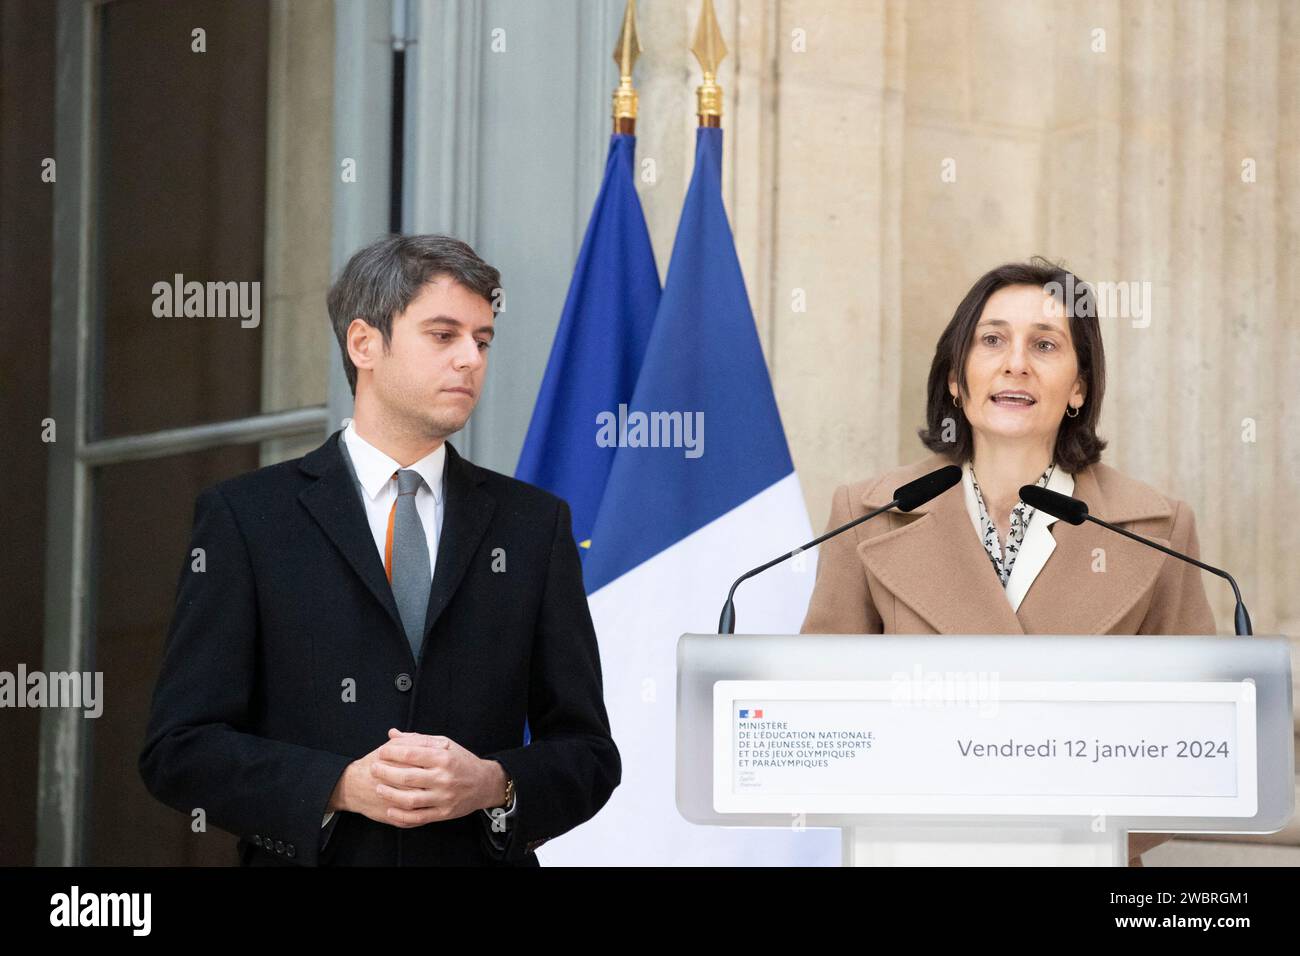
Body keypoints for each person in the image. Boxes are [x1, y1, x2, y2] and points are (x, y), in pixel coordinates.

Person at [139, 234, 620, 865]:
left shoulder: (535, 526)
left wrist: (495, 784)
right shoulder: (247, 518)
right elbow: (180, 748)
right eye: (443, 335)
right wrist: (336, 787)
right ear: (364, 343)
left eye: (482, 340)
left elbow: (588, 751)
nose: (470, 360)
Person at [801, 258, 1216, 866]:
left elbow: (1198, 738)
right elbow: (819, 718)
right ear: (955, 377)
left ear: (1079, 386)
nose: (1015, 362)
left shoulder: (1155, 528)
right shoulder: (869, 514)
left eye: (1044, 345)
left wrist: (1070, 835)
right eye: (992, 339)